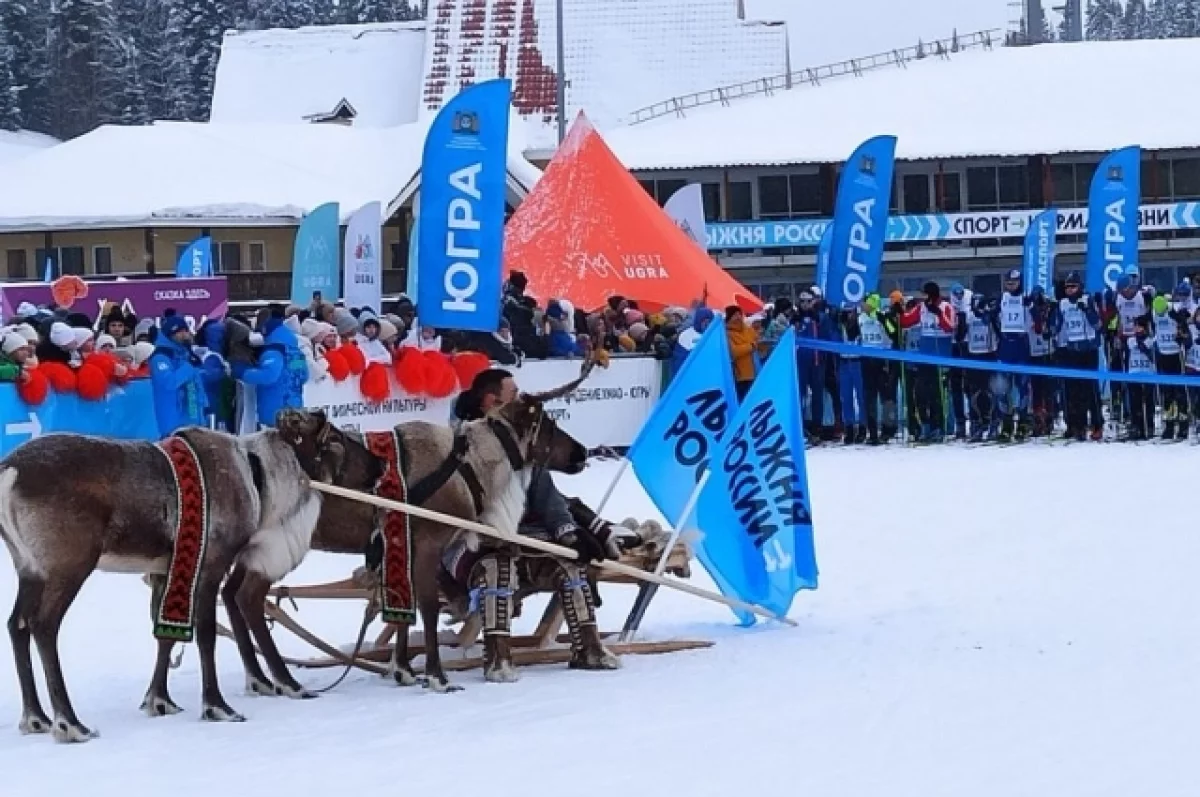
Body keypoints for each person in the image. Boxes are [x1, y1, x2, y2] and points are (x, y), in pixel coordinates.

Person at [444, 368, 620, 668]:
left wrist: (570, 534)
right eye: (514, 395)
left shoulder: (522, 441)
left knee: (570, 565)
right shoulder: (457, 443)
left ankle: (589, 650)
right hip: (471, 543)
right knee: (497, 568)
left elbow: (547, 497)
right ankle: (498, 659)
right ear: (492, 401)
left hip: (524, 540)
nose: (522, 400)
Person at [1049, 271, 1103, 441]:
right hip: (1072, 350)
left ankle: (1097, 425)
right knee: (1074, 391)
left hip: (1089, 350)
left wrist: (1087, 310)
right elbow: (1056, 326)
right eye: (1067, 287)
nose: (1070, 290)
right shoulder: (1063, 304)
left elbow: (1098, 324)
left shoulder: (1088, 300)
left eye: (1073, 286)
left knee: (1091, 390)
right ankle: (1077, 426)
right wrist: (1050, 328)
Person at [149, 315, 209, 437]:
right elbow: (168, 383)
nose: (184, 335)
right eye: (179, 331)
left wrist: (205, 407)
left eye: (185, 330)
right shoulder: (160, 357)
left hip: (192, 420)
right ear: (170, 334)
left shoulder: (186, 355)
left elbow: (198, 384)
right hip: (172, 422)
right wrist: (188, 367)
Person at [725, 305, 759, 400]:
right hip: (740, 377)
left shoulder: (747, 329)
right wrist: (750, 346)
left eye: (739, 314)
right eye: (735, 315)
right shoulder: (727, 333)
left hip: (754, 373)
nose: (738, 317)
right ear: (729, 317)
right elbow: (733, 352)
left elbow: (757, 341)